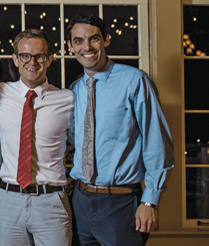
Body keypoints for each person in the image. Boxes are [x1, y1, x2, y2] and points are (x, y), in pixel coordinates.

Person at [66, 14, 174, 245]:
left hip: (121, 204)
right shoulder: (75, 89)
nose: (87, 47)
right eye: (78, 41)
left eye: (93, 39)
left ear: (106, 40)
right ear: (70, 46)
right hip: (80, 202)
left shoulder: (135, 81)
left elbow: (158, 144)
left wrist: (149, 202)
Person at [0, 29, 74, 246]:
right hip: (10, 200)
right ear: (15, 60)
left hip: (51, 201)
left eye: (39, 56)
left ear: (49, 59)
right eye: (25, 56)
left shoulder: (67, 100)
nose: (32, 62)